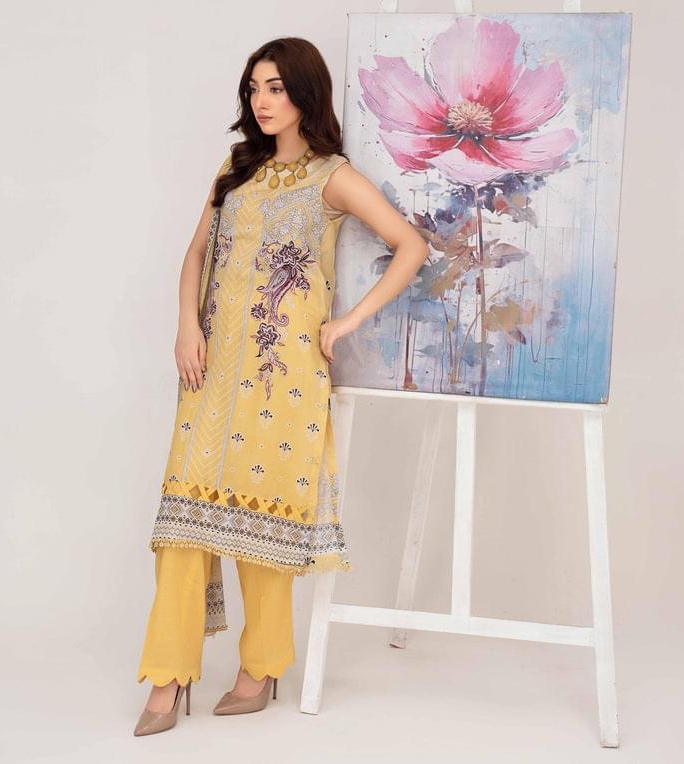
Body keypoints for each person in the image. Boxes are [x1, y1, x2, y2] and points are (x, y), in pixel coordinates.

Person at [134, 36, 428, 736]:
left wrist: (347, 321)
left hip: (281, 377)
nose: (262, 102)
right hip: (209, 370)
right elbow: (196, 254)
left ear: (304, 93)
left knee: (264, 519)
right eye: (254, 89)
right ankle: (168, 676)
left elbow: (410, 245)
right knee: (183, 523)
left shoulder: (332, 177)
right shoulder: (237, 167)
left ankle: (261, 667)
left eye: (276, 88)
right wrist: (186, 326)